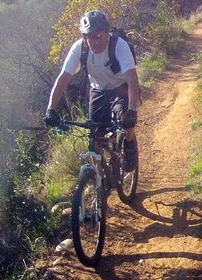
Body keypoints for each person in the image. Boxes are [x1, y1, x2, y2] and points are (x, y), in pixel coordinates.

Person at [44, 10, 140, 170]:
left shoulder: (119, 46)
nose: (95, 42)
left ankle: (129, 144)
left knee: (126, 121)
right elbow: (63, 79)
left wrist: (132, 110)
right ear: (84, 37)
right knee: (95, 135)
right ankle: (101, 177)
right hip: (98, 91)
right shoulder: (80, 49)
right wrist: (50, 109)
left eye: (99, 36)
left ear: (107, 33)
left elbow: (132, 78)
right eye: (90, 37)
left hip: (121, 88)